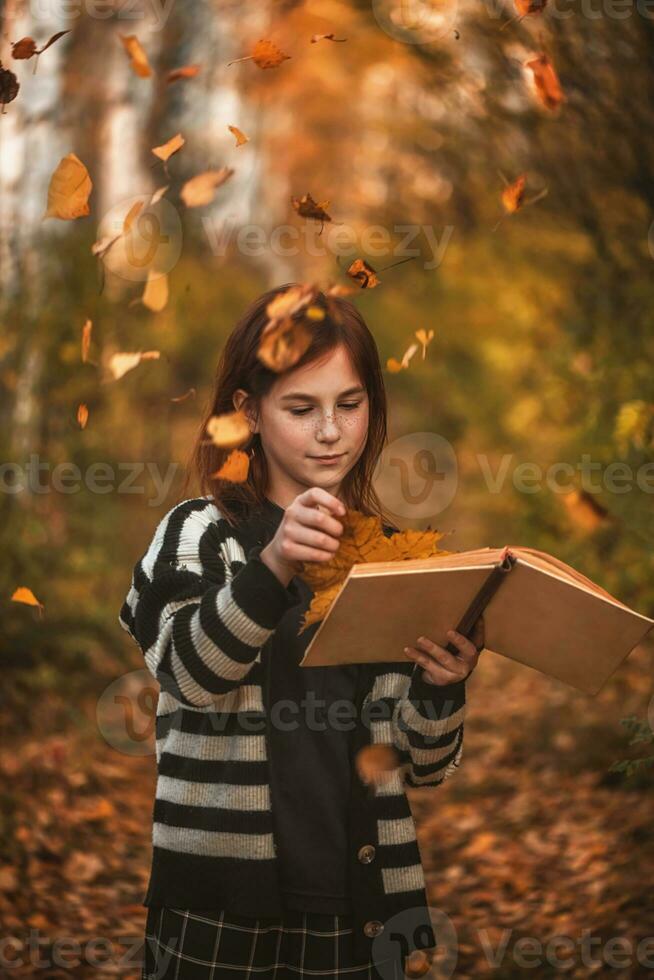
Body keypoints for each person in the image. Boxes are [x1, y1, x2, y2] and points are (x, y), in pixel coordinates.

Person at [118, 283, 485, 979]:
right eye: (301, 408)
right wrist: (278, 561)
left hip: (359, 909)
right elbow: (190, 672)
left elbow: (422, 765)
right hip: (217, 910)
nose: (330, 431)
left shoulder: (389, 555)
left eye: (350, 405)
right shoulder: (199, 533)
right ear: (248, 412)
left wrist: (443, 687)